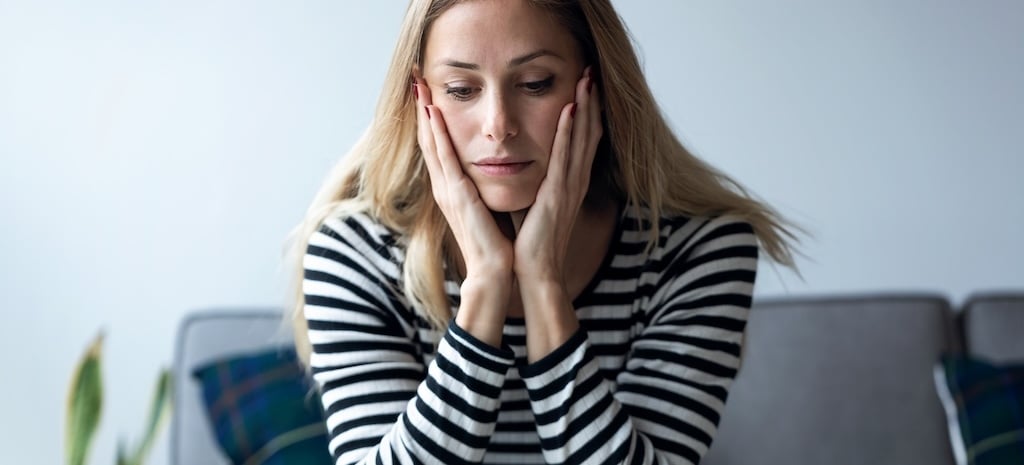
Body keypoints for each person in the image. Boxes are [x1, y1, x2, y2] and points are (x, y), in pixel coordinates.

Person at [288, 0, 799, 463]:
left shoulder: (698, 250)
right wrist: (487, 285)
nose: (498, 124)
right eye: (462, 89)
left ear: (594, 84)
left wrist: (542, 286)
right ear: (420, 99)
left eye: (534, 84)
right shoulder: (355, 250)